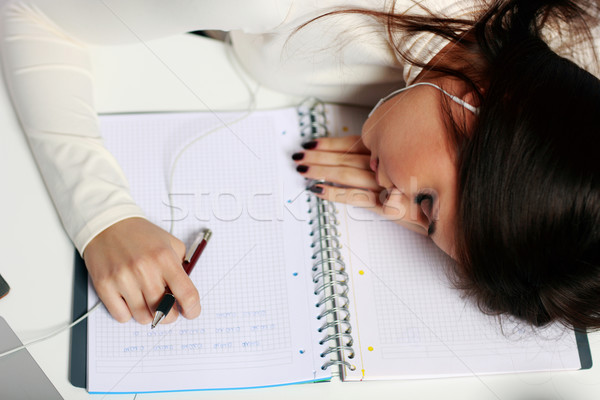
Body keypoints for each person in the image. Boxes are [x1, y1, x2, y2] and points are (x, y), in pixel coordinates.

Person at [1, 0, 599, 329]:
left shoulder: (566, 57)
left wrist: (410, 169)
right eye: (425, 206)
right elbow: (28, 9)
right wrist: (102, 216)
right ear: (483, 105)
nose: (388, 206)